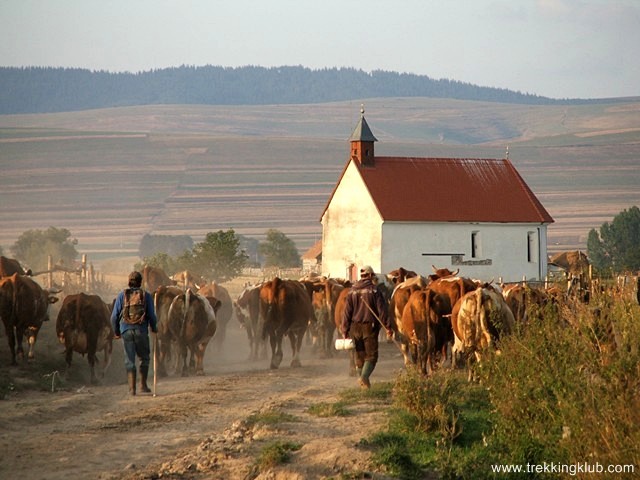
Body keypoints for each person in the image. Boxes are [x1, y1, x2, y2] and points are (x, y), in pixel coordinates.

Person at [341, 265, 392, 389]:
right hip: (369, 326)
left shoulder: (352, 291)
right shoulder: (374, 290)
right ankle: (363, 378)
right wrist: (388, 327)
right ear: (369, 276)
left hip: (354, 327)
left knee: (359, 355)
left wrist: (344, 329)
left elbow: (347, 312)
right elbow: (382, 310)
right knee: (371, 356)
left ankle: (363, 383)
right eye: (373, 275)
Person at [111, 271, 158, 395]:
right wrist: (154, 328)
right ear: (140, 282)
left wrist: (116, 332)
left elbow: (114, 317)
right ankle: (143, 385)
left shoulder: (122, 295)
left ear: (129, 281)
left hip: (125, 330)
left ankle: (132, 389)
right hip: (141, 331)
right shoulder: (146, 296)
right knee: (144, 358)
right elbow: (152, 316)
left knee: (129, 360)